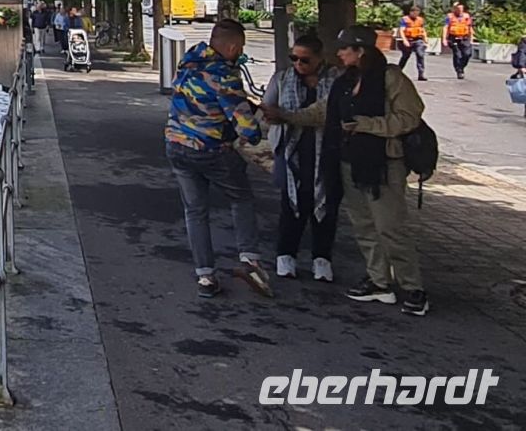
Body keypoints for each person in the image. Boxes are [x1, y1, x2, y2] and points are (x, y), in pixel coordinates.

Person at [264, 25, 428, 316]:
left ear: (360, 51)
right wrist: (286, 116)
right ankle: (380, 282)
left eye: (344, 49)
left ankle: (413, 288)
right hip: (349, 162)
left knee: (391, 227)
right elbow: (322, 111)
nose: (338, 53)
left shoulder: (391, 78)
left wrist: (369, 125)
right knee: (364, 227)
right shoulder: (345, 80)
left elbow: (409, 117)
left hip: (383, 164)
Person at [164, 18, 270, 298]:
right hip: (209, 148)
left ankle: (205, 277)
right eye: (241, 49)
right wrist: (258, 130)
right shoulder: (223, 74)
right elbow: (244, 126)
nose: (240, 54)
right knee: (241, 196)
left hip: (175, 144)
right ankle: (250, 259)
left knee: (195, 211)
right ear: (233, 46)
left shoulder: (188, 63)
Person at [261, 34, 342, 282]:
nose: (298, 64)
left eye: (305, 59)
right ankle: (286, 256)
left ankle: (322, 258)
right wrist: (270, 117)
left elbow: (333, 113)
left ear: (320, 58)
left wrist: (288, 115)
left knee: (327, 205)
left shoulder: (336, 80)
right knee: (292, 204)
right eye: (293, 58)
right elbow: (266, 108)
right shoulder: (283, 79)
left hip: (328, 149)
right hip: (292, 149)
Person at [441, 2, 475, 79]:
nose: (460, 11)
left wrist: (472, 37)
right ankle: (459, 71)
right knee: (457, 54)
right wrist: (444, 39)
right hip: (453, 38)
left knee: (467, 54)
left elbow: (469, 27)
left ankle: (461, 67)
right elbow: (445, 27)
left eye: (461, 9)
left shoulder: (466, 16)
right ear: (454, 9)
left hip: (465, 37)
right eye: (458, 9)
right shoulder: (449, 17)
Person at [396, 5, 427, 81]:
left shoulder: (420, 20)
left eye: (417, 12)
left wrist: (425, 39)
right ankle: (398, 71)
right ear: (411, 12)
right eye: (414, 12)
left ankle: (421, 74)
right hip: (408, 39)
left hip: (418, 40)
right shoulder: (405, 20)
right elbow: (401, 30)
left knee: (420, 55)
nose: (416, 14)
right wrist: (405, 40)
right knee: (405, 56)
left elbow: (423, 30)